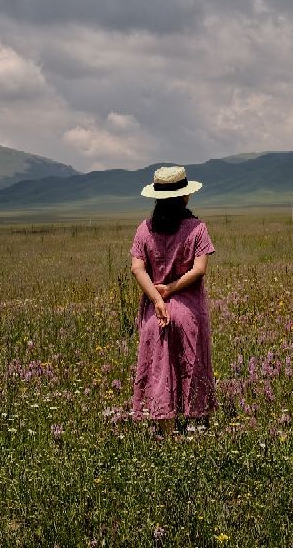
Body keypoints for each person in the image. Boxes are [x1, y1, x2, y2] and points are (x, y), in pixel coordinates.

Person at [130, 165, 217, 438]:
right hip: (188, 311)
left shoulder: (144, 229)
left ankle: (161, 429)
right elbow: (200, 269)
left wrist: (157, 298)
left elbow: (136, 268)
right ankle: (195, 424)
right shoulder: (197, 228)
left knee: (157, 368)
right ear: (185, 196)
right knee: (193, 364)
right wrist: (170, 289)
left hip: (155, 313)